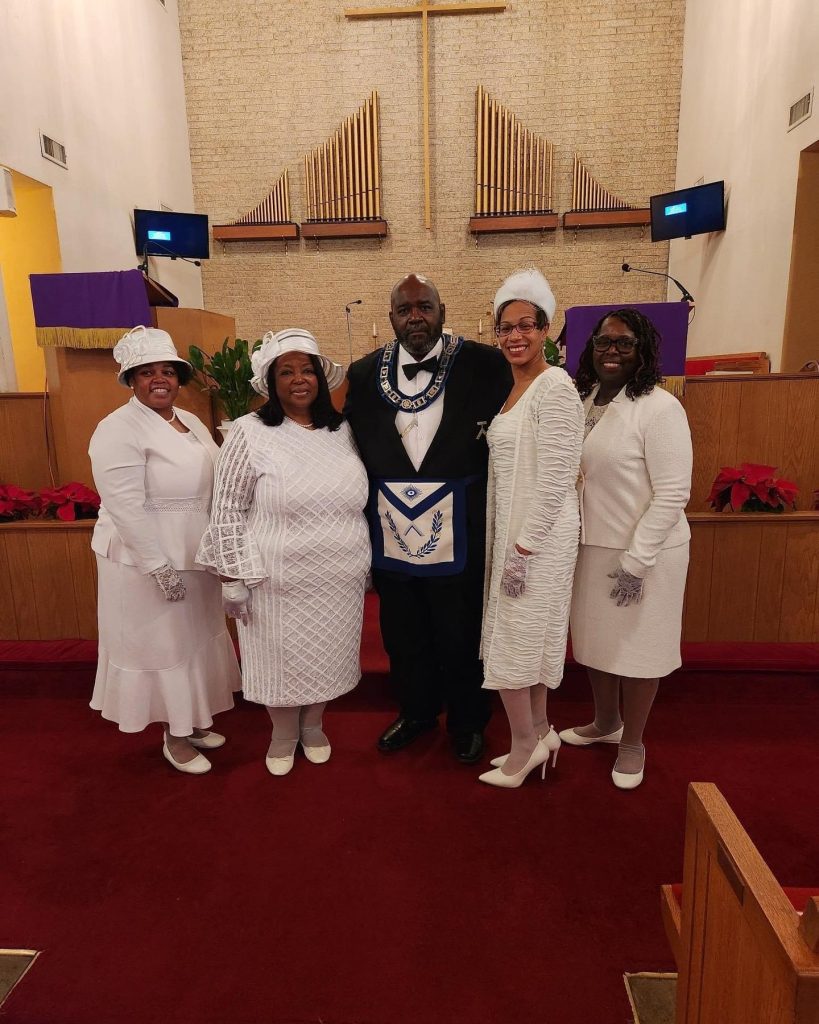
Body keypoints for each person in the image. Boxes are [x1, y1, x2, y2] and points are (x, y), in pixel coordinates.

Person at [344, 273, 511, 764]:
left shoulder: (485, 364)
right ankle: (416, 712)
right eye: (404, 309)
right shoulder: (362, 372)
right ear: (391, 316)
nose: (415, 316)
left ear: (442, 309)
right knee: (402, 631)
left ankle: (467, 720)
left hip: (462, 526)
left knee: (461, 630)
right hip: (391, 528)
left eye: (424, 306)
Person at [196, 328, 370, 776]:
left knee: (327, 652)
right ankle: (282, 733)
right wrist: (233, 575)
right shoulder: (249, 433)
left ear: (320, 377)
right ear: (271, 382)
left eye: (307, 369)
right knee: (279, 657)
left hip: (339, 574)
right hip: (275, 576)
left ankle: (314, 725)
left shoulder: (342, 431)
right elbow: (228, 507)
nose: (299, 379)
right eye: (287, 371)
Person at [89, 325, 241, 774]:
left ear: (179, 377)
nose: (160, 379)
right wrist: (158, 567)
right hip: (144, 559)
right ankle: (174, 738)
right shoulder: (117, 428)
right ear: (131, 380)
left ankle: (191, 720)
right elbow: (125, 507)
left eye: (168, 372)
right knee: (166, 645)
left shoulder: (189, 420)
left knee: (194, 639)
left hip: (195, 550)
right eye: (147, 372)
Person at [560, 308, 693, 789]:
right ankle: (605, 723)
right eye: (602, 343)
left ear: (643, 353)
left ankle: (632, 740)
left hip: (647, 552)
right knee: (595, 644)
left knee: (639, 649)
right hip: (591, 544)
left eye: (623, 344)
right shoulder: (584, 399)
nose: (611, 352)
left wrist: (638, 561)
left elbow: (674, 492)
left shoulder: (660, 408)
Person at [478, 269, 585, 788]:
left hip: (538, 540)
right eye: (505, 327)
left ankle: (523, 747)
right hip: (518, 536)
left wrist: (525, 547)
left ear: (547, 330)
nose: (514, 336)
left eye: (526, 325)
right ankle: (541, 731)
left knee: (514, 642)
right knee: (527, 639)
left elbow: (559, 475)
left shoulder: (555, 386)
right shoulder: (515, 387)